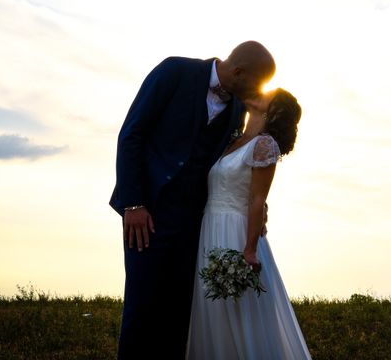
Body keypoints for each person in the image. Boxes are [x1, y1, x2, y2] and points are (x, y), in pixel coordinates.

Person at [109, 41, 275, 359]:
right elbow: (131, 134)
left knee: (180, 312)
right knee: (141, 307)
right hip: (148, 215)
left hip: (196, 221)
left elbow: (226, 160)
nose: (256, 92)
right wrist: (134, 203)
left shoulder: (238, 108)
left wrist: (255, 199)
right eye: (255, 83)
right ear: (238, 72)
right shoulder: (174, 71)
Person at [187, 87, 312, 359]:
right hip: (210, 227)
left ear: (274, 110)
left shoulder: (264, 144)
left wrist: (250, 249)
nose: (258, 92)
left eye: (267, 93)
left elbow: (257, 199)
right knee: (215, 312)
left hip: (237, 232)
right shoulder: (234, 139)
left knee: (242, 313)